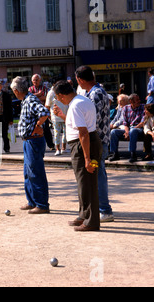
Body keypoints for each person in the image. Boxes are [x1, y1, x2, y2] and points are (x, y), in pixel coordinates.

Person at [52, 80, 102, 231]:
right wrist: (62, 115)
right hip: (87, 143)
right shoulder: (82, 100)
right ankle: (84, 215)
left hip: (83, 146)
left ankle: (92, 221)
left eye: (58, 97)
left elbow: (83, 132)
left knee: (88, 183)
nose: (58, 100)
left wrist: (87, 158)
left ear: (61, 95)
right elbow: (77, 126)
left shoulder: (75, 105)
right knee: (84, 183)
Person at [75, 65, 113, 223]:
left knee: (98, 175)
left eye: (78, 80)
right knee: (99, 174)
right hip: (100, 139)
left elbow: (92, 120)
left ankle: (104, 209)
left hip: (98, 140)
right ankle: (102, 208)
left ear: (81, 80)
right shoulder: (96, 91)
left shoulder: (95, 93)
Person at [11, 76, 50, 214]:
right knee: (28, 173)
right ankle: (32, 201)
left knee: (36, 172)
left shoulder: (31, 99)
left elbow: (45, 112)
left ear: (16, 90)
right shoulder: (26, 100)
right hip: (29, 140)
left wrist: (38, 126)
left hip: (34, 140)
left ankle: (42, 204)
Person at [109, 93, 145, 163]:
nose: (139, 101)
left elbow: (142, 122)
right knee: (113, 132)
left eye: (139, 99)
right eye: (137, 100)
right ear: (131, 101)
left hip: (139, 129)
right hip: (128, 129)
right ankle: (115, 153)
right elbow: (125, 123)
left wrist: (130, 131)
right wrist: (127, 132)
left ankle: (132, 154)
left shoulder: (143, 107)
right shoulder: (126, 108)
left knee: (133, 130)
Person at [29, 74, 54, 150]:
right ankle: (36, 146)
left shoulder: (44, 88)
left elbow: (46, 98)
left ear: (40, 80)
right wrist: (38, 95)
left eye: (37, 80)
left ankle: (51, 145)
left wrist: (35, 96)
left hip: (43, 112)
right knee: (34, 129)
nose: (35, 81)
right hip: (34, 113)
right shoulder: (30, 89)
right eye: (34, 80)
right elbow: (29, 98)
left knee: (46, 129)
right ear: (32, 81)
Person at [45, 87, 68, 155]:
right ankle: (57, 149)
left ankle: (63, 148)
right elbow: (47, 105)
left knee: (65, 133)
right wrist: (49, 115)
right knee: (56, 133)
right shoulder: (51, 93)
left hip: (65, 115)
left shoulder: (65, 90)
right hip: (55, 117)